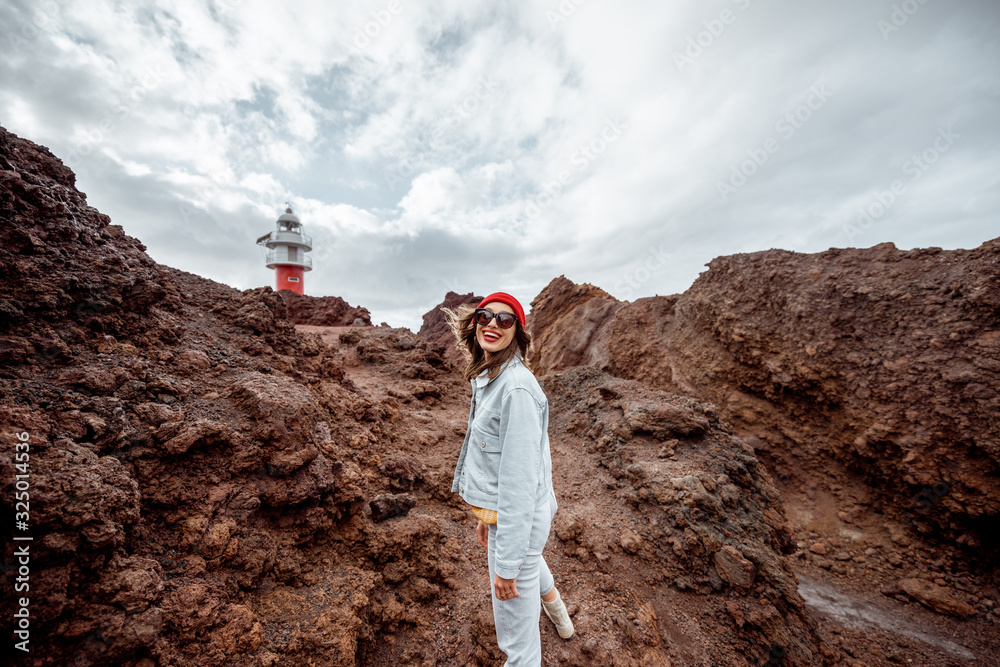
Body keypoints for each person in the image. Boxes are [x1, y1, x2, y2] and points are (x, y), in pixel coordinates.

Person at [443, 291, 574, 666]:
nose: (492, 325)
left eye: (505, 319)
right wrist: (488, 516)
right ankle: (561, 617)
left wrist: (507, 564)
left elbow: (518, 485)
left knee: (518, 648)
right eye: (485, 316)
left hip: (520, 519)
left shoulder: (515, 389)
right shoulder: (491, 375)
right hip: (512, 517)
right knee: (532, 563)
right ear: (475, 323)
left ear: (517, 332)